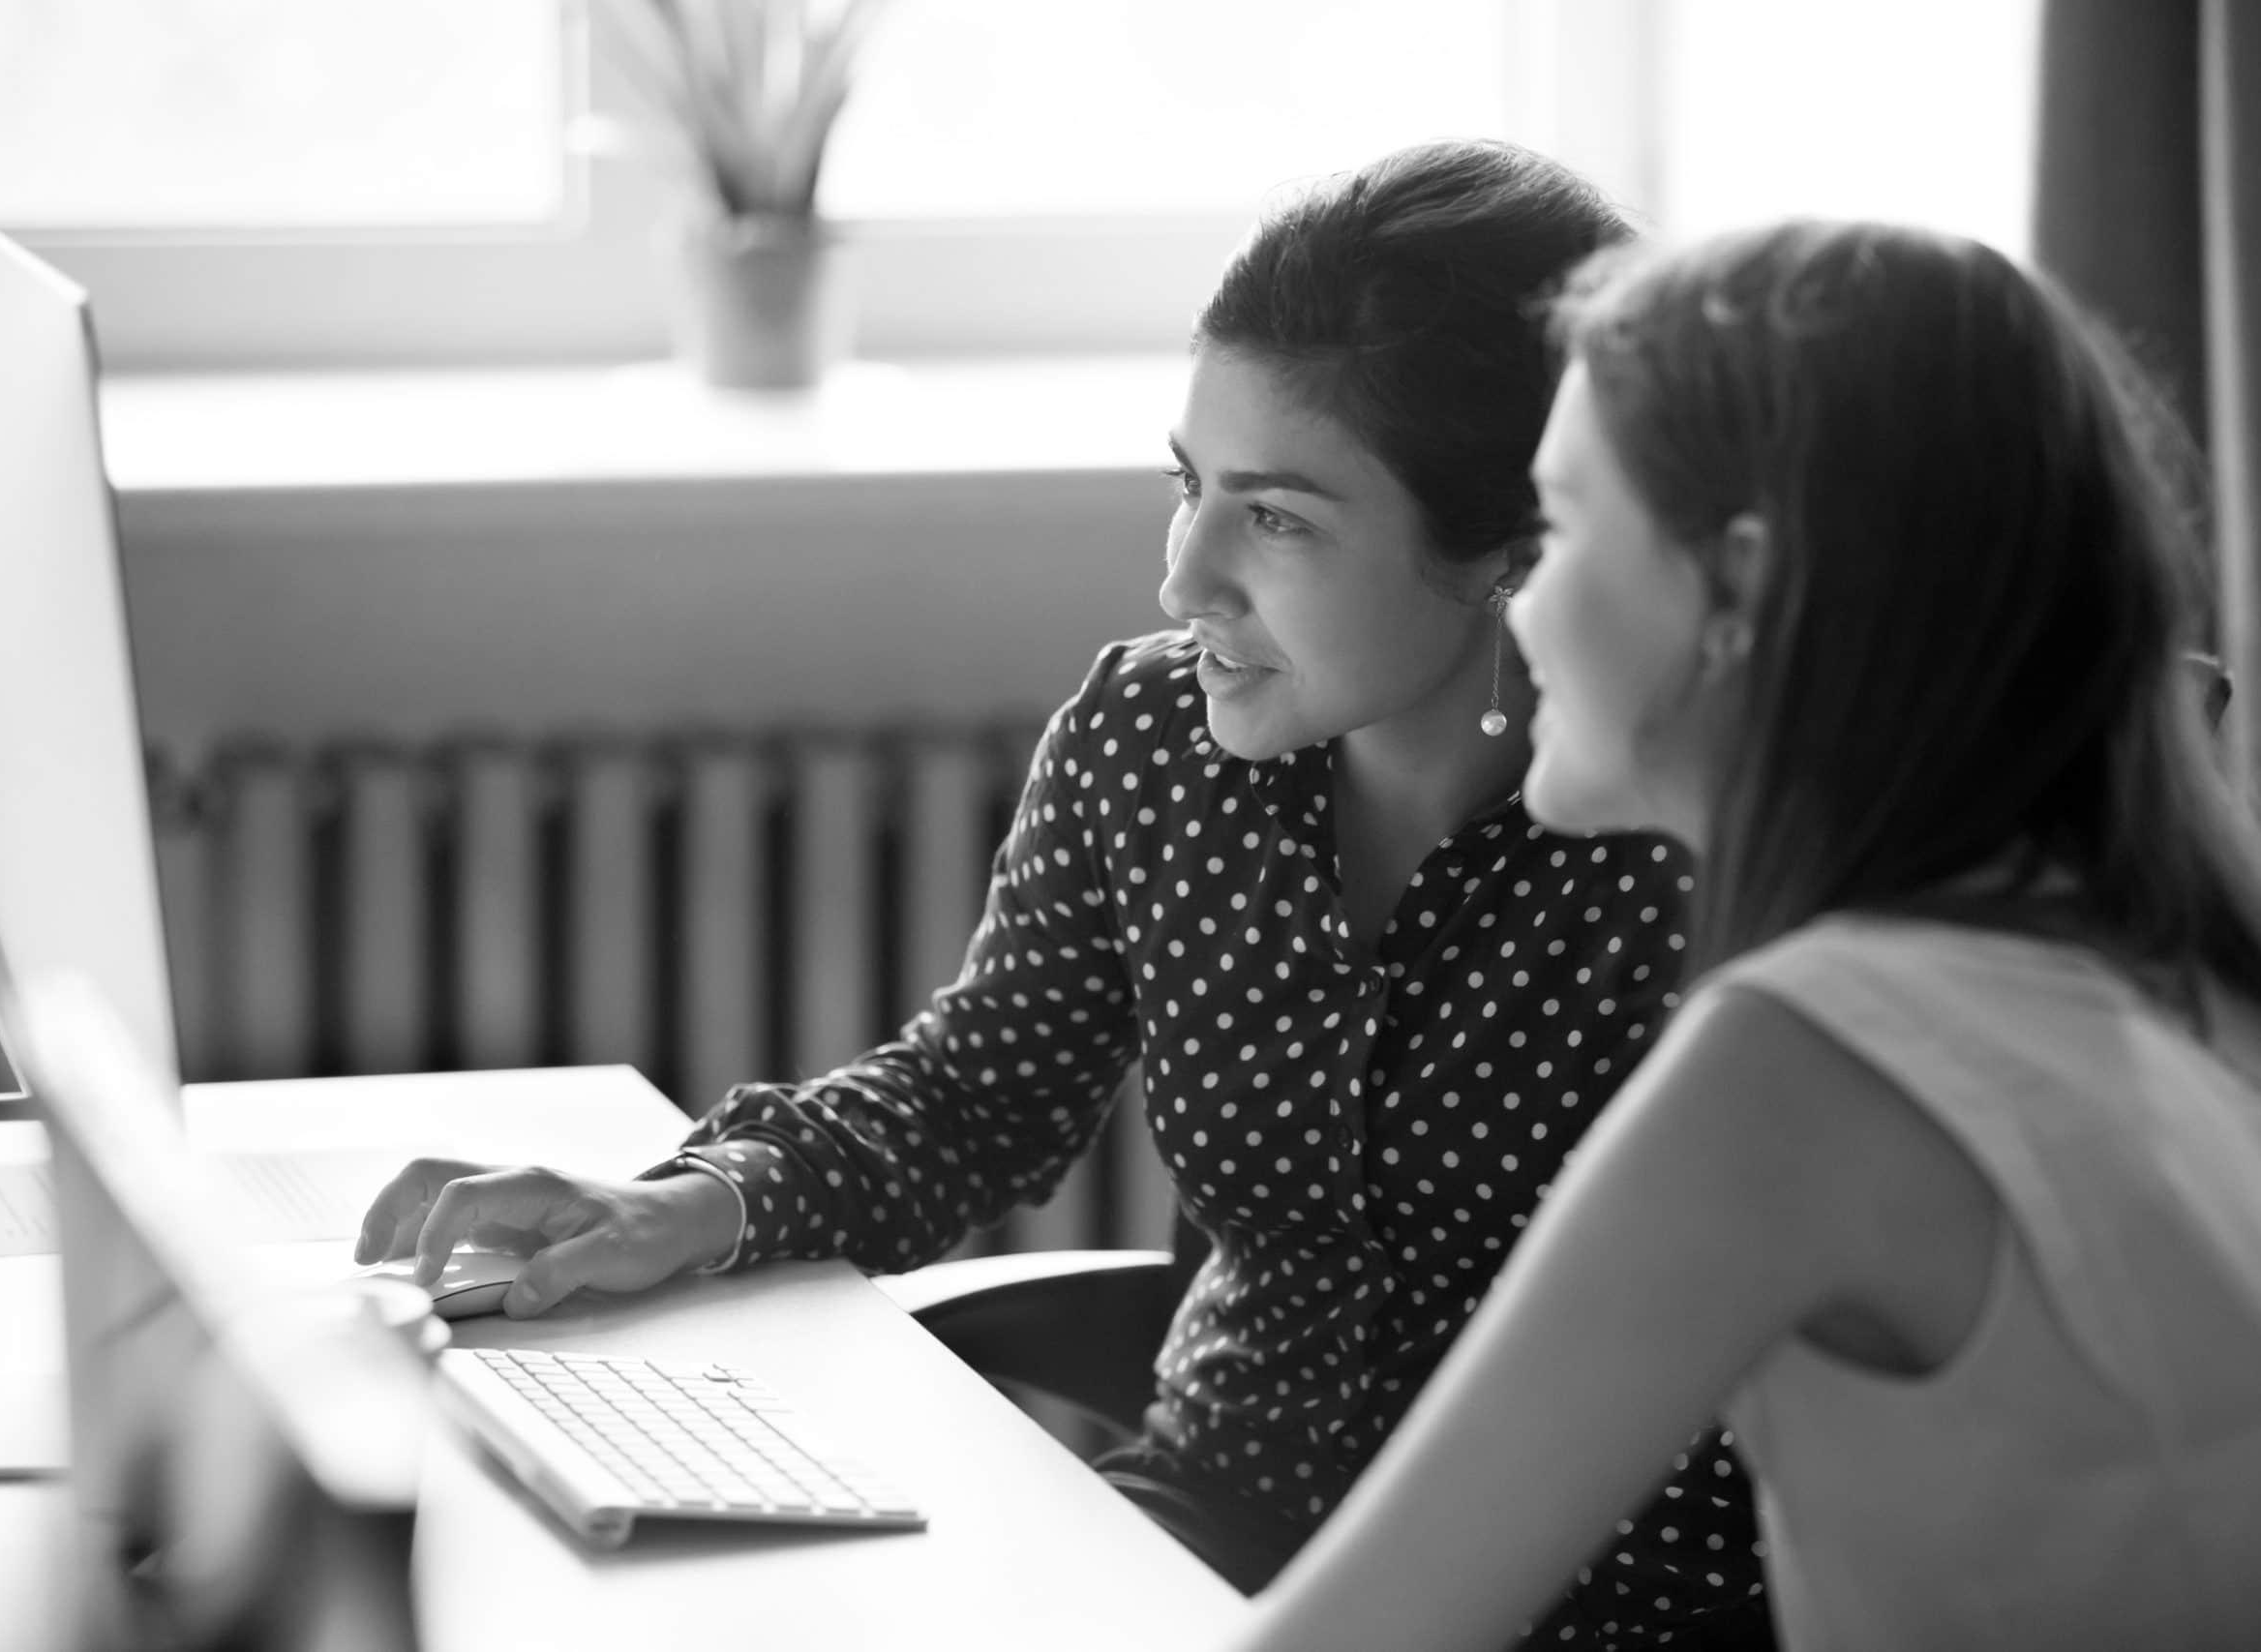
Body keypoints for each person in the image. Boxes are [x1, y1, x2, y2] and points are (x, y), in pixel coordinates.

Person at [355, 139, 1775, 1648]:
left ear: (1511, 548)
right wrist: (688, 1204)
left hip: (1610, 1613)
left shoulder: (1687, 845)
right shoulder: (1154, 742)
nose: (1186, 579)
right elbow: (977, 1093)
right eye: (1190, 486)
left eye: (1278, 519)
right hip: (1203, 1539)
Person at [1223, 219, 2261, 1652]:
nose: (1523, 603)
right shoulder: (2188, 993)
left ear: (1734, 589)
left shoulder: (1799, 1071)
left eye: (1564, 527)